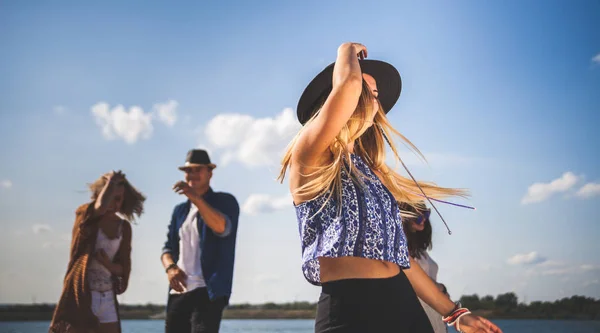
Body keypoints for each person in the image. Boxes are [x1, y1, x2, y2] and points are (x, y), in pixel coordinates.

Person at [278, 42, 502, 333]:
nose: (374, 100)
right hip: (350, 308)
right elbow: (346, 86)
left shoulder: (371, 175)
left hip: (403, 303)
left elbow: (401, 257)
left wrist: (455, 313)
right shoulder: (310, 157)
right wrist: (346, 50)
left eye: (375, 94)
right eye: (365, 90)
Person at [50, 170, 146, 333]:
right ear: (99, 195)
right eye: (109, 197)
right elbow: (99, 208)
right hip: (82, 294)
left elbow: (123, 269)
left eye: (118, 199)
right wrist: (111, 183)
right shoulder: (87, 216)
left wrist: (107, 264)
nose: (113, 204)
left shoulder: (124, 227)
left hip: (107, 297)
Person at [161, 149, 240, 333]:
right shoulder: (179, 211)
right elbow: (167, 248)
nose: (192, 174)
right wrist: (170, 268)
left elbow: (222, 228)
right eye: (189, 171)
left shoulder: (225, 201)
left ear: (210, 173)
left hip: (208, 290)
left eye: (198, 170)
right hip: (179, 291)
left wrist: (195, 197)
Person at [402, 202, 449, 333]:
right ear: (404, 217)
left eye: (426, 214)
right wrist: (440, 288)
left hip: (435, 314)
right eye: (417, 216)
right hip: (415, 316)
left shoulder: (420, 252)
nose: (423, 219)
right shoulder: (397, 252)